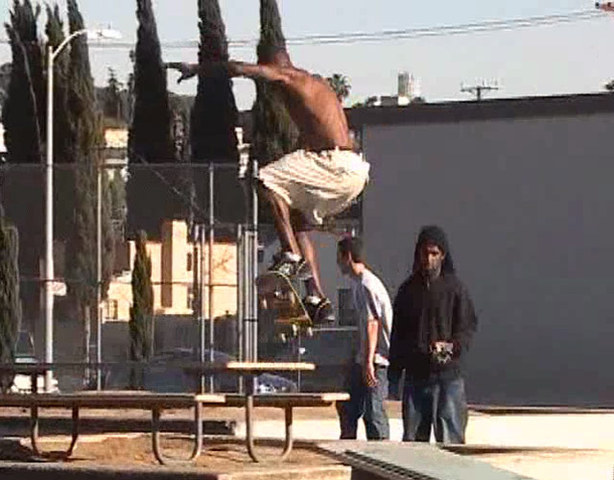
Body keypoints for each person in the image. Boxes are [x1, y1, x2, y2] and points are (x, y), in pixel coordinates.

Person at [168, 48, 370, 323]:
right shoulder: (317, 91)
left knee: (265, 180)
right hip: (351, 173)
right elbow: (316, 139)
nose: (272, 91)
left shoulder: (292, 78)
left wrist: (198, 69)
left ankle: (291, 257)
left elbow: (239, 69)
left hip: (336, 165)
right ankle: (316, 297)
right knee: (297, 219)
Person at [388, 225, 477, 444]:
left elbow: (467, 328)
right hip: (415, 378)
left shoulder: (455, 289)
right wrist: (394, 375)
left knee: (450, 442)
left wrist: (450, 347)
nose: (428, 259)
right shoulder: (408, 291)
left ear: (443, 255)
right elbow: (397, 335)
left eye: (434, 253)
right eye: (424, 253)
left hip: (448, 378)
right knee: (414, 444)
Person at [336, 236, 391, 440]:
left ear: (348, 256)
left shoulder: (367, 284)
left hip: (377, 360)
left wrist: (368, 362)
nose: (338, 263)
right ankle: (348, 443)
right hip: (363, 357)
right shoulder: (357, 283)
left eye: (339, 257)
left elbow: (372, 324)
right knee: (347, 405)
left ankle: (381, 450)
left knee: (373, 411)